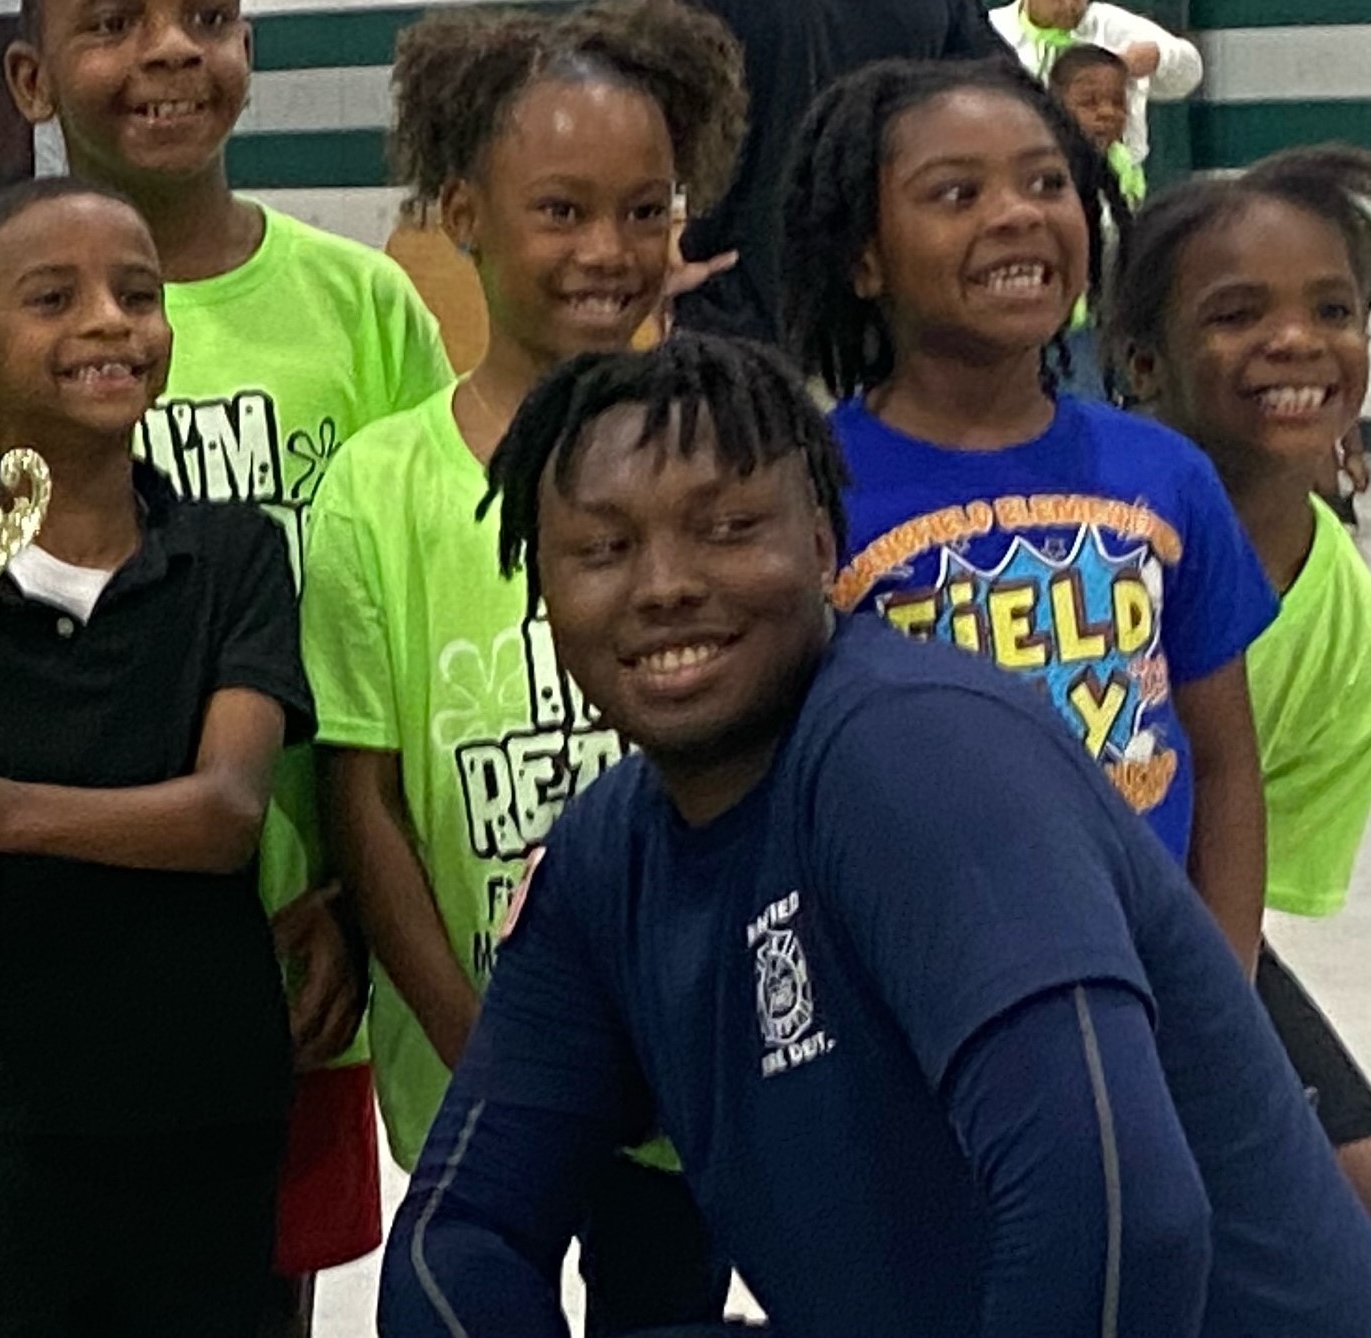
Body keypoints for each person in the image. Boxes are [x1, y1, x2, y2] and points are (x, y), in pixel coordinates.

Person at [382, 332, 1371, 1336]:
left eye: (725, 528)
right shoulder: (608, 853)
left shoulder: (913, 751)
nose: (664, 583)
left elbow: (1115, 1208)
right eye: (601, 549)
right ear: (542, 598)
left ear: (821, 548)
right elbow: (453, 1237)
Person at [0, 0, 445, 1295]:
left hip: (296, 946)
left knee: (249, 1286)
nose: (170, 49)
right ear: (29, 78)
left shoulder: (362, 305)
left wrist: (362, 903)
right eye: (113, 19)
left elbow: (406, 634)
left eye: (209, 13)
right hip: (31, 977)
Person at [305, 0, 747, 1333]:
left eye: (644, 209)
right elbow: (365, 794)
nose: (606, 250)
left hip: (698, 1060)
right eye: (560, 209)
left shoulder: (734, 444)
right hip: (480, 1053)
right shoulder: (380, 484)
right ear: (461, 214)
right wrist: (480, 1046)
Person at [0, 176, 311, 1335]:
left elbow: (223, 817)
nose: (110, 321)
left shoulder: (232, 554)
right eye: (53, 298)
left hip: (206, 1105)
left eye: (137, 294)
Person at [789, 56, 1273, 971]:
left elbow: (1223, 765)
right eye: (955, 193)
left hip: (1147, 985)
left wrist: (1226, 988)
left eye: (1046, 181)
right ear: (862, 257)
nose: (1016, 213)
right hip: (920, 998)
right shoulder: (805, 491)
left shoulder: (1163, 472)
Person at [1110, 142, 1371, 1210]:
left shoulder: (1341, 609)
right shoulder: (1089, 545)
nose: (1294, 342)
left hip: (1185, 959)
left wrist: (1208, 1047)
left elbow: (1243, 889)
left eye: (1334, 309)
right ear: (1140, 365)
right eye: (1233, 314)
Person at [657, 0, 1002, 347]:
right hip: (900, 328)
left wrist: (652, 241)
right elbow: (1013, 122)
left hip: (747, 329)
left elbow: (634, 139)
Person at [992, 0, 1202, 163]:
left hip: (1113, 177)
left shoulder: (1106, 24)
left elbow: (1191, 72)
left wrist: (1160, 57)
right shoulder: (993, 32)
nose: (1068, 4)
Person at [1048, 44, 1148, 206]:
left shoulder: (1124, 164)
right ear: (1055, 106)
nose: (1108, 113)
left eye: (1118, 102)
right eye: (1088, 102)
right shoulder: (1053, 172)